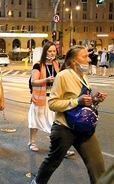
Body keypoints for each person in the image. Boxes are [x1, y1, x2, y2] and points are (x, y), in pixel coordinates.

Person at [31, 45, 107, 184]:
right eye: (84, 56)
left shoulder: (83, 76)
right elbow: (53, 103)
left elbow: (83, 103)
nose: (89, 59)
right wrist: (77, 101)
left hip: (83, 128)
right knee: (52, 162)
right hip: (64, 128)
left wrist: (94, 100)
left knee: (97, 166)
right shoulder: (63, 76)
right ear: (73, 61)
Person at [28, 41, 75, 157]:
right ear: (45, 52)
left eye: (54, 51)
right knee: (35, 121)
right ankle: (32, 142)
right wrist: (47, 80)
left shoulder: (56, 64)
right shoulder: (38, 65)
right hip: (39, 99)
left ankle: (60, 149)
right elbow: (34, 81)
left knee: (56, 123)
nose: (52, 53)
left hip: (52, 99)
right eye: (50, 51)